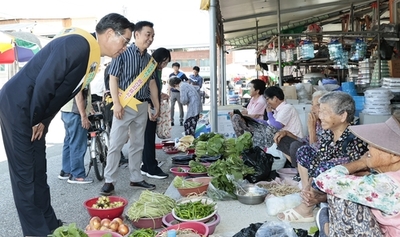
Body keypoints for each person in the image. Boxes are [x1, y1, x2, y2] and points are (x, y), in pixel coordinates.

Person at [0, 13, 134, 236]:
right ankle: (36, 232)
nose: (125, 47)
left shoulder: (89, 53)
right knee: (25, 176)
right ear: (110, 33)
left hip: (34, 110)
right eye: (126, 41)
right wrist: (37, 120)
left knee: (38, 170)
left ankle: (49, 225)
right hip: (19, 106)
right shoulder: (77, 45)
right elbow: (45, 83)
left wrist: (42, 120)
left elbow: (60, 92)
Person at [276, 91, 368, 223]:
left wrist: (322, 190)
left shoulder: (355, 139)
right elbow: (319, 159)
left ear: (343, 116)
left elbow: (359, 174)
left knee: (328, 167)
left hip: (347, 187)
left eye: (325, 112)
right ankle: (308, 196)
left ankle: (307, 207)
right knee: (304, 151)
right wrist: (308, 186)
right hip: (324, 183)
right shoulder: (328, 134)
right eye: (320, 111)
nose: (320, 115)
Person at [100, 21, 160, 196]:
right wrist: (117, 104)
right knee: (116, 143)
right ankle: (109, 180)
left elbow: (152, 84)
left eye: (153, 36)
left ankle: (136, 177)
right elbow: (113, 78)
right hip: (124, 105)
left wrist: (156, 105)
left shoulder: (150, 60)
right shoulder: (123, 53)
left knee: (137, 144)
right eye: (148, 34)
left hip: (142, 105)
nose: (150, 38)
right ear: (137, 35)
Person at [314, 116, 400, 237]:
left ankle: (327, 230)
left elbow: (324, 179)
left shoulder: (388, 184)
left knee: (342, 197)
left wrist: (362, 162)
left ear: (395, 156)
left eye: (375, 144)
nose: (368, 147)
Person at [273, 90, 329, 181]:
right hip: (310, 152)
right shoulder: (317, 122)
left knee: (297, 147)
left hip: (319, 159)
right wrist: (287, 133)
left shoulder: (327, 123)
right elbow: (305, 140)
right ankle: (300, 172)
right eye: (312, 104)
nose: (312, 109)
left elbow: (314, 150)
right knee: (282, 139)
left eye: (317, 105)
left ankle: (305, 176)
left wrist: (311, 129)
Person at [233, 86, 303, 148]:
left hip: (292, 141)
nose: (267, 102)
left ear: (275, 98)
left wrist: (269, 113)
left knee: (261, 136)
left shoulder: (287, 108)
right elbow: (268, 123)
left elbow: (276, 126)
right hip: (282, 139)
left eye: (267, 99)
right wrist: (249, 119)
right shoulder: (277, 110)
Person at [141, 47, 171, 179]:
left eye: (166, 63)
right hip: (147, 108)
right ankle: (151, 168)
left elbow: (154, 89)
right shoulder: (149, 69)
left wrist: (160, 95)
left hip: (153, 106)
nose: (164, 66)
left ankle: (146, 165)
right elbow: (145, 89)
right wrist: (149, 106)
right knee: (148, 138)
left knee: (147, 138)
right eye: (163, 62)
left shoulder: (156, 70)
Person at [58, 86, 94, 184]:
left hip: (66, 110)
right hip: (75, 112)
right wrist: (84, 116)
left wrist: (88, 108)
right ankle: (77, 175)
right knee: (77, 143)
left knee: (69, 141)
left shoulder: (71, 72)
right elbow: (79, 95)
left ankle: (66, 171)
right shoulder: (82, 73)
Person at [169, 62, 188, 126]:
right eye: (174, 67)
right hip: (172, 92)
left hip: (179, 92)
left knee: (180, 106)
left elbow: (187, 81)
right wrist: (169, 93)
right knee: (171, 107)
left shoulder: (182, 74)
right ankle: (171, 120)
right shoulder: (171, 75)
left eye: (176, 67)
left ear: (178, 67)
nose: (175, 68)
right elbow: (169, 84)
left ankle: (181, 120)